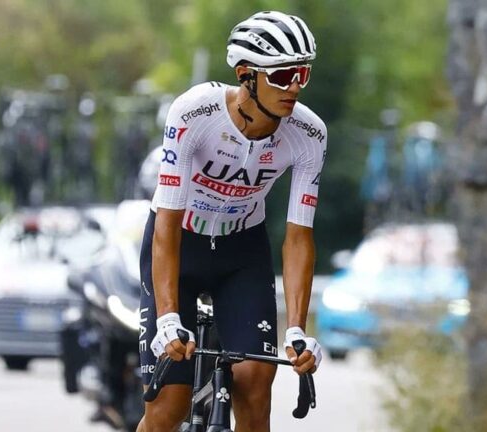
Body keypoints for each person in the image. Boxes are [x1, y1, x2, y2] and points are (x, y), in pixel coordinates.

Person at [138, 10, 327, 432]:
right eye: (281, 76)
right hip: (180, 243)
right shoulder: (194, 113)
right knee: (169, 403)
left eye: (302, 74)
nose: (294, 86)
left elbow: (298, 237)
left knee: (256, 384)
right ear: (246, 75)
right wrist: (168, 317)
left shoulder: (309, 134)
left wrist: (296, 328)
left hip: (242, 251)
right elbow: (166, 219)